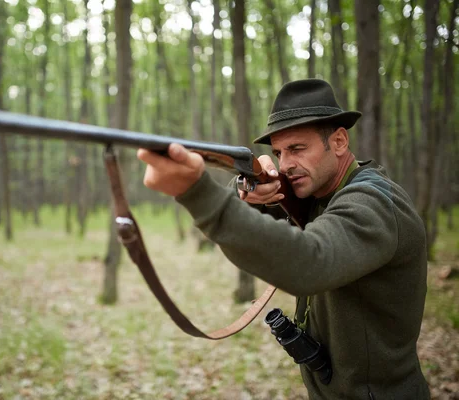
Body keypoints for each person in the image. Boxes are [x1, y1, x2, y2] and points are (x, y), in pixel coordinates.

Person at [136, 79, 430, 399]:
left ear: (340, 141)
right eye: (278, 152)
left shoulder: (373, 202)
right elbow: (273, 238)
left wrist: (196, 192)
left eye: (297, 149)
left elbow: (309, 261)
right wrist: (256, 198)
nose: (286, 164)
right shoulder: (322, 196)